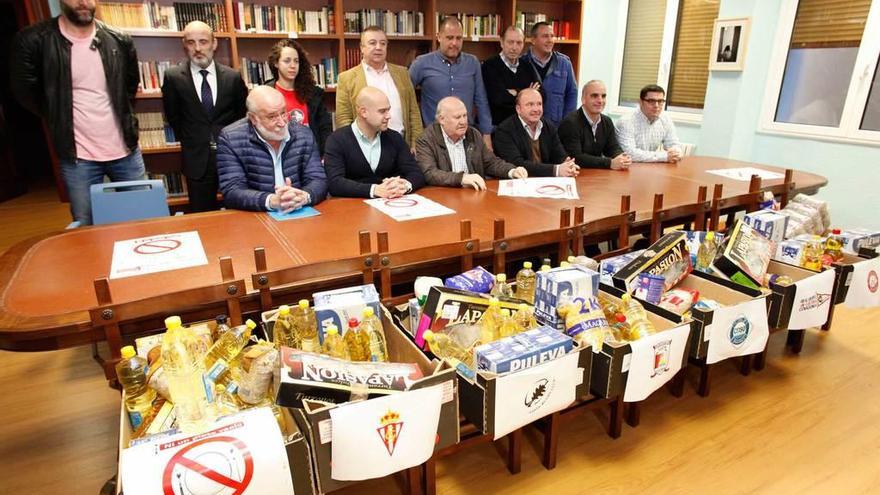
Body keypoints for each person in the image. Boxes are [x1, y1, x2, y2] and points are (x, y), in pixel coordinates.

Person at [10, 0, 144, 226]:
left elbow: (130, 86)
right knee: (85, 224)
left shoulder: (119, 39)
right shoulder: (34, 41)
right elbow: (25, 92)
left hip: (126, 151)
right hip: (78, 158)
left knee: (142, 215)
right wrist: (58, 114)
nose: (82, 2)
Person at [161, 21, 247, 212]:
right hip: (196, 159)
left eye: (203, 41)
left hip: (231, 157)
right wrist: (194, 139)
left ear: (214, 44)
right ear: (185, 45)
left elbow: (241, 116)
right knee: (202, 215)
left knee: (238, 211)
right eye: (191, 42)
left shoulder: (232, 77)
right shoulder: (173, 77)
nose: (198, 48)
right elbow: (173, 117)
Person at [216, 86, 327, 212]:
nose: (282, 122)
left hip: (297, 211)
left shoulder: (303, 134)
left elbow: (318, 179)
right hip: (255, 216)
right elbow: (232, 191)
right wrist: (271, 201)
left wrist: (305, 196)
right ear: (253, 119)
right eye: (272, 117)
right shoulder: (231, 138)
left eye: (284, 112)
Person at [324, 87, 425, 199]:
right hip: (353, 208)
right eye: (382, 111)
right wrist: (374, 190)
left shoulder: (395, 138)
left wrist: (405, 185)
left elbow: (416, 173)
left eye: (388, 110)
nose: (388, 116)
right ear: (363, 112)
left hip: (393, 204)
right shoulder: (337, 140)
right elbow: (335, 183)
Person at [410, 16, 494, 150]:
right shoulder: (422, 63)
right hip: (433, 137)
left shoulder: (473, 63)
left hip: (466, 135)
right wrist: (414, 135)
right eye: (449, 38)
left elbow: (481, 99)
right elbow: (405, 97)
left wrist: (486, 134)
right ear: (439, 37)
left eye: (458, 38)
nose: (454, 43)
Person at [335, 26, 423, 150]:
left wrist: (416, 144)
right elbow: (344, 119)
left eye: (383, 43)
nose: (378, 47)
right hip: (366, 147)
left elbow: (413, 112)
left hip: (402, 145)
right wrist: (355, 149)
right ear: (362, 48)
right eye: (372, 43)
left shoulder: (402, 73)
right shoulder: (347, 78)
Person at [415, 96, 527, 190]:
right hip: (444, 195)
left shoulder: (473, 134)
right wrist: (462, 178)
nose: (463, 122)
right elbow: (429, 173)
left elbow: (490, 162)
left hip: (473, 194)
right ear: (441, 119)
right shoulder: (426, 139)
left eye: (465, 116)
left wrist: (511, 170)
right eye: (457, 117)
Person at [265, 39, 333, 155]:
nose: (293, 66)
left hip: (311, 155)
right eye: (287, 61)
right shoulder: (266, 93)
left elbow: (324, 128)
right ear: (276, 63)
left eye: (296, 61)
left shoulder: (313, 93)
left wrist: (324, 155)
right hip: (278, 155)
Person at [492, 88, 578, 177]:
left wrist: (568, 165)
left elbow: (559, 155)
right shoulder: (504, 130)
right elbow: (517, 164)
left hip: (546, 183)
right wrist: (556, 170)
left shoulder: (548, 126)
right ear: (518, 109)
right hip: (518, 183)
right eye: (530, 104)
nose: (536, 109)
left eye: (539, 104)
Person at [558, 80, 631, 170]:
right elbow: (576, 158)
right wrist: (610, 163)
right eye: (594, 96)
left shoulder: (607, 121)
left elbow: (613, 147)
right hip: (575, 175)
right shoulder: (570, 123)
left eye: (603, 96)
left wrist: (622, 158)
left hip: (597, 175)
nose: (600, 100)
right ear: (583, 99)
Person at [481, 26, 541, 125]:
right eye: (510, 42)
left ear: (523, 44)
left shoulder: (528, 65)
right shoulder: (489, 66)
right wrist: (527, 93)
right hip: (499, 127)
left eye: (518, 43)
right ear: (501, 42)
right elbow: (498, 99)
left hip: (525, 127)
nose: (514, 47)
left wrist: (515, 92)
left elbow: (542, 94)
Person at [523, 22, 577, 128]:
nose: (550, 40)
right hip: (529, 126)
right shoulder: (522, 62)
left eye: (552, 36)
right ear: (533, 40)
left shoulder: (564, 63)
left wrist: (567, 124)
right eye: (545, 36)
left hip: (556, 127)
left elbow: (572, 94)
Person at [615, 84, 682, 163]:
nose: (656, 106)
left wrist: (676, 153)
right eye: (651, 101)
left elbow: (673, 143)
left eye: (660, 101)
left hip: (649, 166)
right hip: (625, 168)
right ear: (640, 102)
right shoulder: (626, 121)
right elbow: (629, 154)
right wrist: (665, 156)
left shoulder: (665, 119)